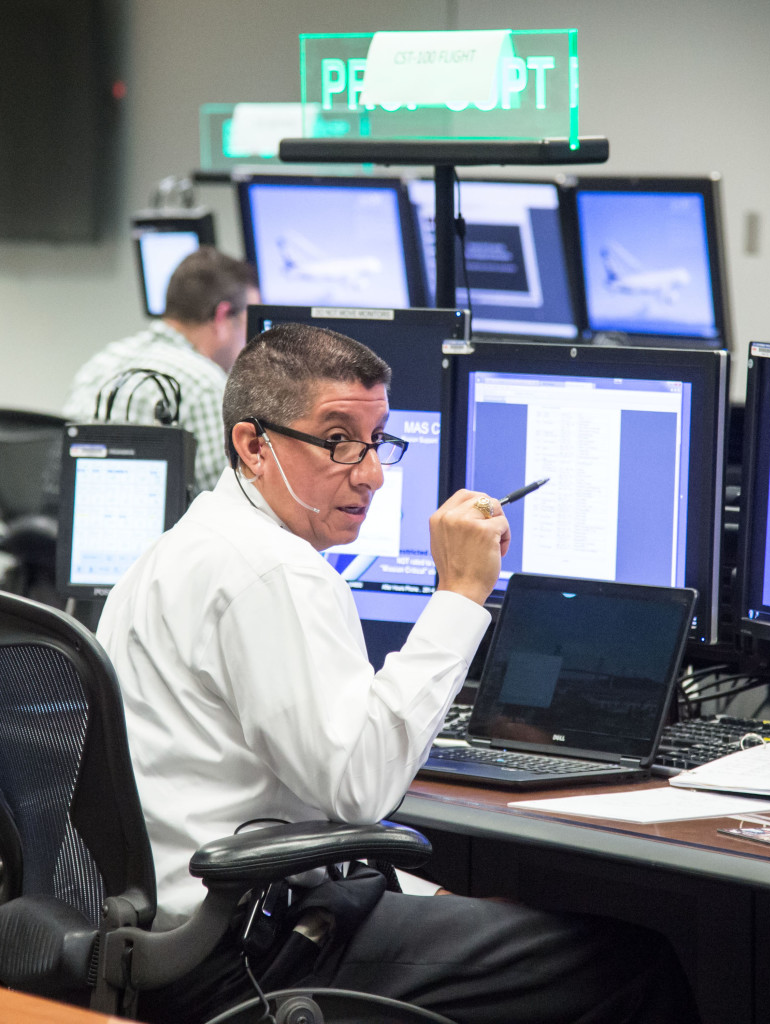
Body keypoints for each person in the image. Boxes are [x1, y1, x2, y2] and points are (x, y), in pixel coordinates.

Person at [97, 324, 700, 1024]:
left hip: (172, 938)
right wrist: (459, 593)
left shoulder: (184, 546)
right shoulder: (274, 571)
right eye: (336, 441)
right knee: (630, 966)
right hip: (245, 958)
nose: (371, 472)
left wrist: (420, 895)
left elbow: (283, 804)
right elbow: (360, 791)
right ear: (252, 445)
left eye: (378, 441)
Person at [62, 246, 260, 494]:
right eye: (247, 321)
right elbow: (228, 500)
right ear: (222, 316)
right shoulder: (205, 385)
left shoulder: (102, 362)